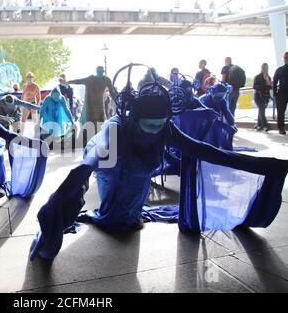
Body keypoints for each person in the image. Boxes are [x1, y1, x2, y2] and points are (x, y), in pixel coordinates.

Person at [29, 65, 288, 260]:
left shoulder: (165, 127)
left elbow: (205, 152)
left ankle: (126, 214)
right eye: (149, 124)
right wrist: (55, 205)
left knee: (130, 206)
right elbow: (86, 165)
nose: (155, 130)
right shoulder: (117, 129)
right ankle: (114, 214)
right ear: (136, 116)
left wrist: (267, 166)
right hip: (112, 167)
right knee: (108, 208)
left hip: (139, 174)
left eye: (160, 124)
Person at [68, 66, 117, 131]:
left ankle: (98, 137)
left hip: (100, 104)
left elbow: (112, 91)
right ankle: (89, 136)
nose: (100, 73)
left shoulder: (107, 79)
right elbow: (79, 81)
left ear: (103, 72)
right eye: (98, 72)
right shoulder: (91, 79)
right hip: (90, 105)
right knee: (90, 123)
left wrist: (117, 100)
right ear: (96, 72)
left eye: (101, 72)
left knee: (100, 122)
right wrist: (68, 82)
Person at [253, 63, 272, 132]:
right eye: (264, 68)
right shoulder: (257, 77)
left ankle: (259, 125)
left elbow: (270, 87)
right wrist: (264, 85)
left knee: (261, 110)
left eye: (266, 68)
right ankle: (265, 125)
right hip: (258, 96)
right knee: (262, 110)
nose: (265, 69)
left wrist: (267, 81)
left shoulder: (268, 77)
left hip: (265, 96)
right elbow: (254, 86)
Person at [273, 52, 288, 135]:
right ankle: (281, 128)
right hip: (281, 93)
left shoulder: (280, 70)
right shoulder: (280, 70)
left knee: (281, 112)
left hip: (281, 93)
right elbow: (275, 82)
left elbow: (275, 82)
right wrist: (275, 94)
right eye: (285, 58)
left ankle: (281, 128)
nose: (286, 59)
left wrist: (275, 94)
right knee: (281, 112)